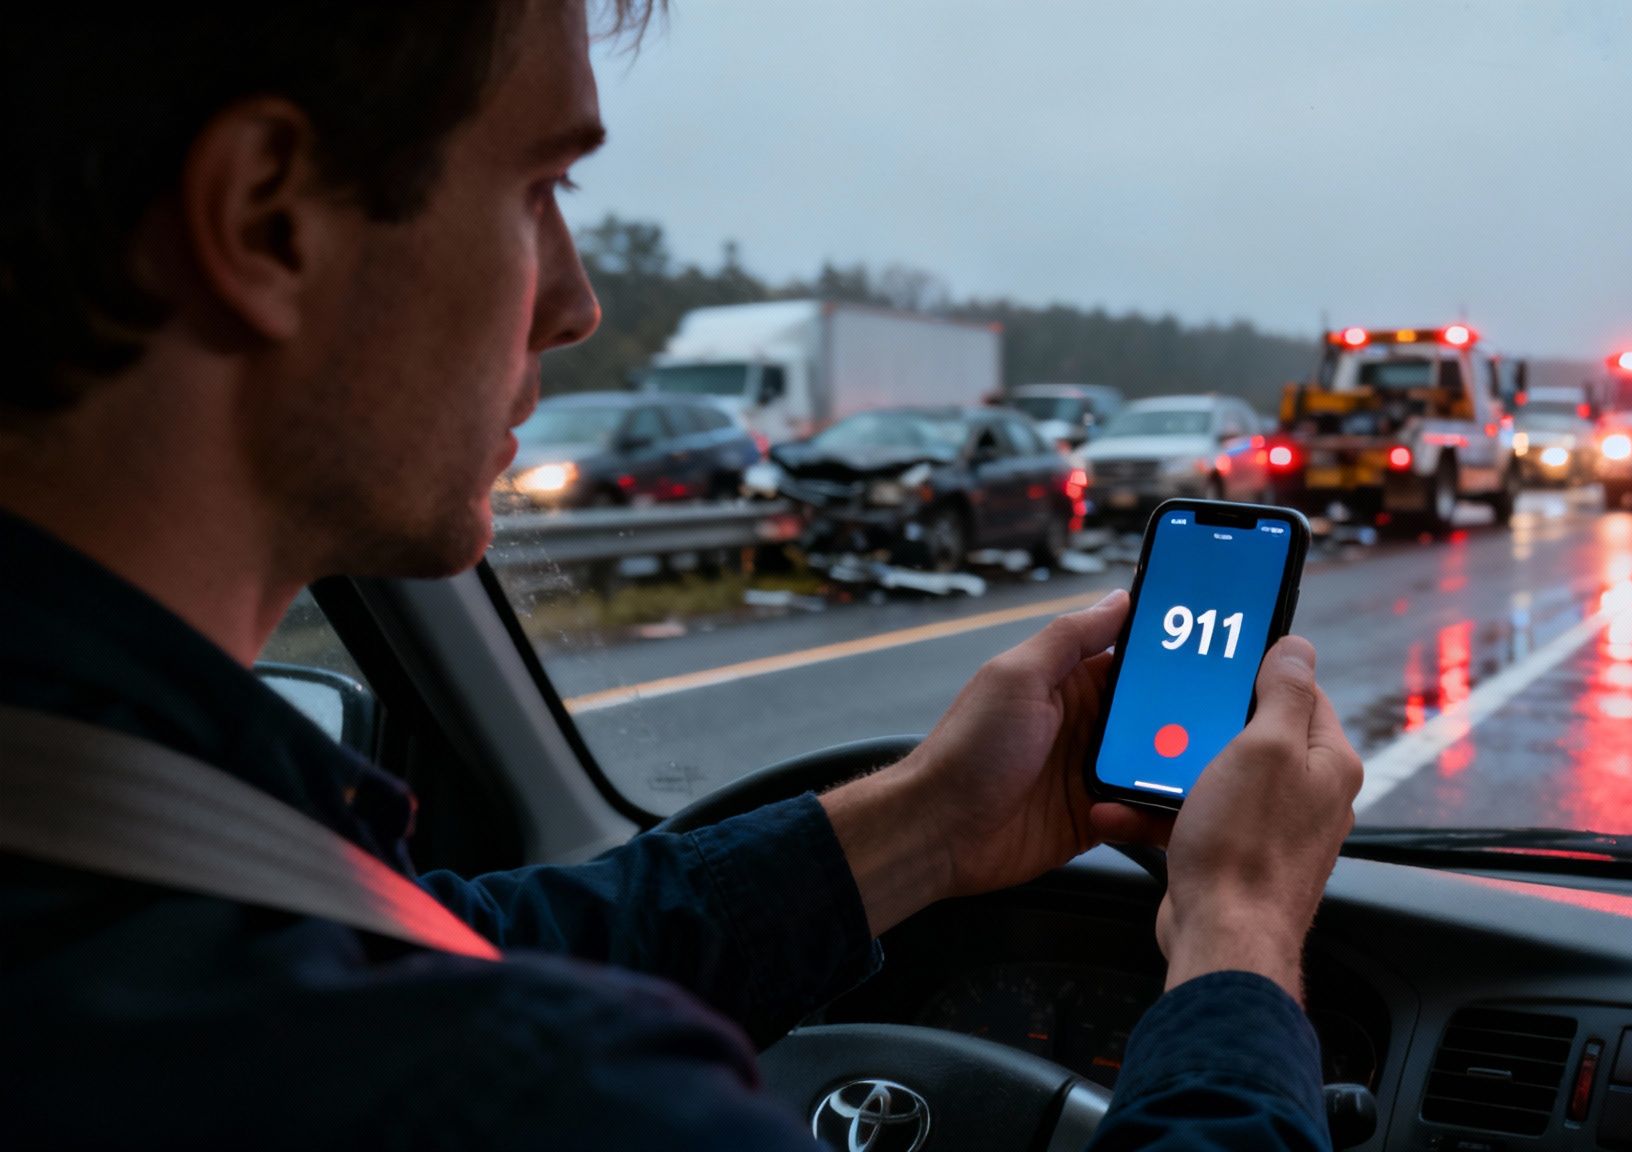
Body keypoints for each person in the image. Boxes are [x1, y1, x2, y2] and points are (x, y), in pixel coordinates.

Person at [0, 3, 1363, 1148]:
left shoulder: (110, 867)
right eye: (540, 188)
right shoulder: (526, 1098)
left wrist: (935, 824)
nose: (578, 299)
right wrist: (1238, 939)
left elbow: (441, 934)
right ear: (265, 220)